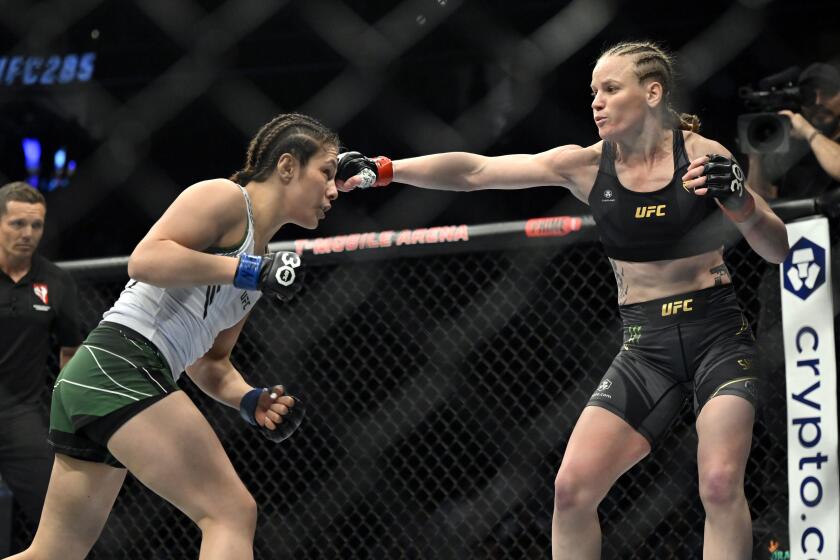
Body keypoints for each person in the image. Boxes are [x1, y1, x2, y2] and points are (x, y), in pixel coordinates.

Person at [336, 41, 790, 559]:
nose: (596, 101)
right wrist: (387, 168)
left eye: (611, 89)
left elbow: (776, 250)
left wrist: (742, 202)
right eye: (593, 91)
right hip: (645, 348)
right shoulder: (586, 166)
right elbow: (475, 172)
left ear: (653, 92)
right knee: (571, 490)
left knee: (718, 483)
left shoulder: (705, 157)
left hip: (718, 337)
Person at [7, 112, 340, 560]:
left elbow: (211, 363)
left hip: (103, 376)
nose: (334, 191)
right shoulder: (224, 197)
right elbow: (145, 260)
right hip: (123, 360)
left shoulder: (260, 262)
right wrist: (247, 270)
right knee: (230, 513)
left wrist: (249, 399)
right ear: (286, 167)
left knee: (53, 554)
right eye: (327, 172)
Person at [0, 182, 81, 535]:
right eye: (18, 224)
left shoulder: (56, 281)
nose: (28, 233)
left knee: (59, 521)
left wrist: (67, 409)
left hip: (21, 413)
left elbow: (70, 350)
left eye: (36, 225)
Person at [748, 61, 840, 199]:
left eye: (828, 92)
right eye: (809, 95)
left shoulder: (807, 132)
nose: (818, 102)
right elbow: (760, 202)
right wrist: (755, 157)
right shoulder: (791, 147)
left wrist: (809, 132)